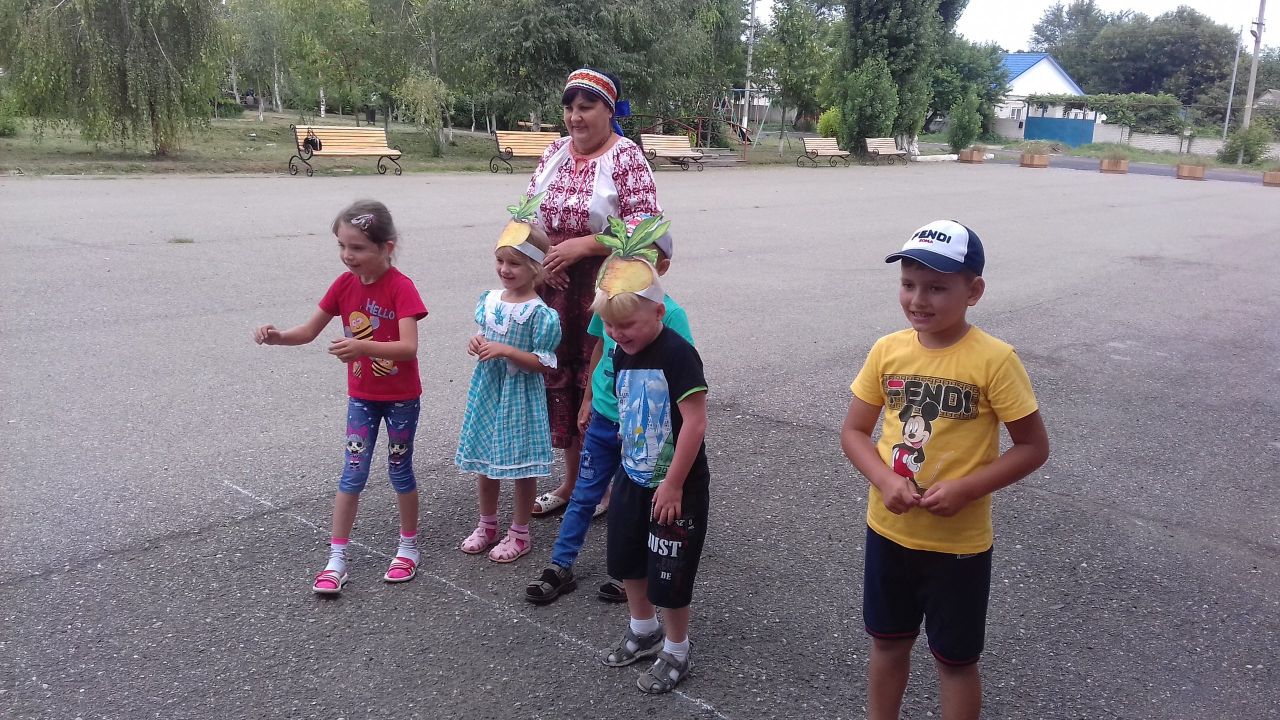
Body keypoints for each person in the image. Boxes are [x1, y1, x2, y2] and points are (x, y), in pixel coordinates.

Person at [840, 220, 1051, 720]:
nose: (918, 299)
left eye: (937, 287)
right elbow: (854, 432)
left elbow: (1032, 447)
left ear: (973, 291)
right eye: (908, 284)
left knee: (955, 661)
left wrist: (967, 488)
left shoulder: (995, 360)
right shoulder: (887, 350)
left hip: (959, 546)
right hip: (889, 531)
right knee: (888, 642)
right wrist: (884, 479)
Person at [254, 200, 428, 595]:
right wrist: (278, 336)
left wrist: (363, 347)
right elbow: (308, 331)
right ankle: (337, 558)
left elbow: (408, 348)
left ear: (386, 247)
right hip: (362, 397)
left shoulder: (401, 287)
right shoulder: (343, 285)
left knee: (399, 470)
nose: (348, 255)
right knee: (352, 472)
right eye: (342, 246)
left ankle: (408, 548)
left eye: (358, 248)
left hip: (401, 398)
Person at [524, 216, 693, 605]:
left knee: (637, 499)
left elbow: (682, 375)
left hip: (646, 429)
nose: (628, 262)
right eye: (621, 253)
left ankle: (631, 569)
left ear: (662, 266)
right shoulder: (609, 300)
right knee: (585, 493)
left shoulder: (671, 316)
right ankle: (560, 565)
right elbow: (600, 350)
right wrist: (587, 399)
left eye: (642, 256)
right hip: (603, 417)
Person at [523, 68, 662, 518]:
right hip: (556, 287)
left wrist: (584, 245)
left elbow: (647, 223)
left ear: (609, 110)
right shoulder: (554, 153)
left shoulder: (626, 157)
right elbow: (527, 217)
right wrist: (537, 265)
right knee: (562, 379)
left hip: (607, 288)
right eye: (569, 108)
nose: (575, 117)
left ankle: (605, 484)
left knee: (599, 382)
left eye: (586, 107)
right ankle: (572, 482)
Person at [589, 217, 710, 694]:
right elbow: (629, 406)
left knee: (670, 570)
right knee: (626, 558)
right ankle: (644, 629)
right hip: (632, 474)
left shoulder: (678, 354)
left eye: (627, 325)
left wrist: (674, 483)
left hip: (675, 483)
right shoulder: (621, 350)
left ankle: (677, 648)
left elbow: (694, 422)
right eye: (610, 326)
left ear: (659, 312)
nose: (617, 335)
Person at [454, 212, 562, 563]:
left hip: (519, 396)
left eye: (514, 263)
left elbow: (544, 362)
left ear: (535, 268)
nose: (504, 269)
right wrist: (478, 341)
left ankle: (519, 532)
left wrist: (507, 351)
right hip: (489, 392)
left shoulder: (539, 313)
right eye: (500, 261)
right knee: (486, 460)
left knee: (520, 465)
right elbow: (486, 334)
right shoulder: (490, 300)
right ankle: (486, 524)